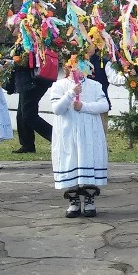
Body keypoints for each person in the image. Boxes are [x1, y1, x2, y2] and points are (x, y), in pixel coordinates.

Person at [50, 60, 109, 218]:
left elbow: (104, 105)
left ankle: (90, 199)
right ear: (68, 67)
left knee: (88, 158)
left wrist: (84, 106)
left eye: (83, 67)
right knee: (71, 159)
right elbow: (57, 109)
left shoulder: (95, 85)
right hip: (68, 131)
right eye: (74, 67)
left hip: (89, 131)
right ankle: (73, 200)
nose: (78, 71)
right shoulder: (59, 85)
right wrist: (70, 93)